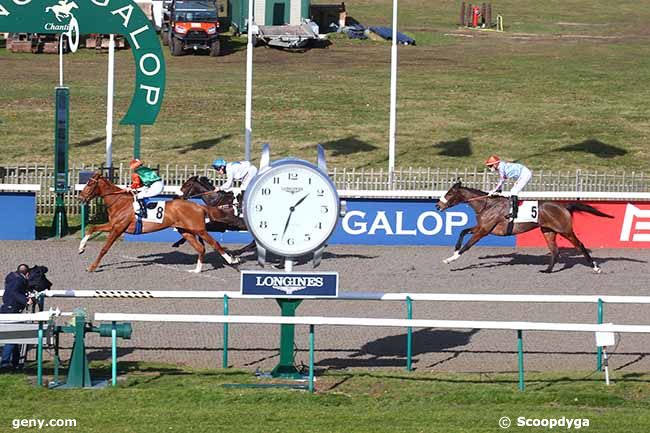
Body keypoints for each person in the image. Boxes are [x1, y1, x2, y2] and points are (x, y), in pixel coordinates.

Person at [1, 264, 31, 370]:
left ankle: (15, 361)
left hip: (7, 309)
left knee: (15, 336)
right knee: (13, 337)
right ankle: (5, 362)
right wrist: (26, 300)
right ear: (27, 274)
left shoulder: (12, 277)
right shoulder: (18, 281)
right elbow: (14, 293)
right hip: (12, 310)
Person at [485, 155, 532, 221]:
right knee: (513, 191)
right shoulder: (500, 166)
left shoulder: (501, 168)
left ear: (495, 164)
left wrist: (493, 191)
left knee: (513, 191)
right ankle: (513, 210)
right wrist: (499, 189)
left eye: (490, 166)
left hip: (524, 174)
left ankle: (515, 213)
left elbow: (502, 180)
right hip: (522, 174)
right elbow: (503, 180)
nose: (490, 168)